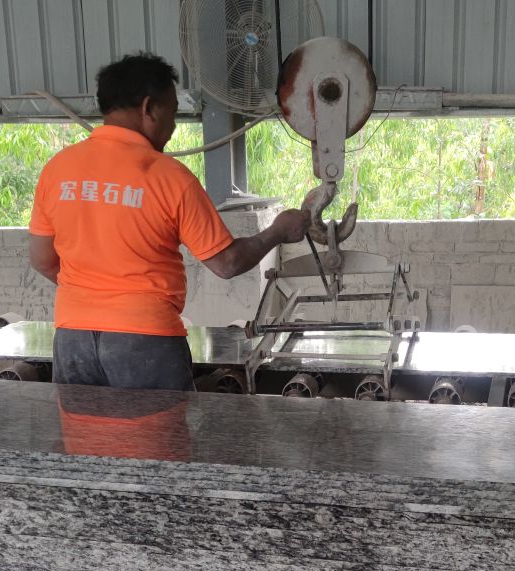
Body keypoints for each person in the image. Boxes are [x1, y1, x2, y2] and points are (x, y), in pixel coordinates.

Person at [28, 52, 309, 391]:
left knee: (84, 427)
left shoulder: (58, 170)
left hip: (72, 339)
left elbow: (42, 260)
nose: (173, 128)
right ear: (149, 108)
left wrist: (92, 295)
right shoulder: (169, 177)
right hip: (145, 341)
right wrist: (278, 231)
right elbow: (227, 263)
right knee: (162, 428)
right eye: (173, 113)